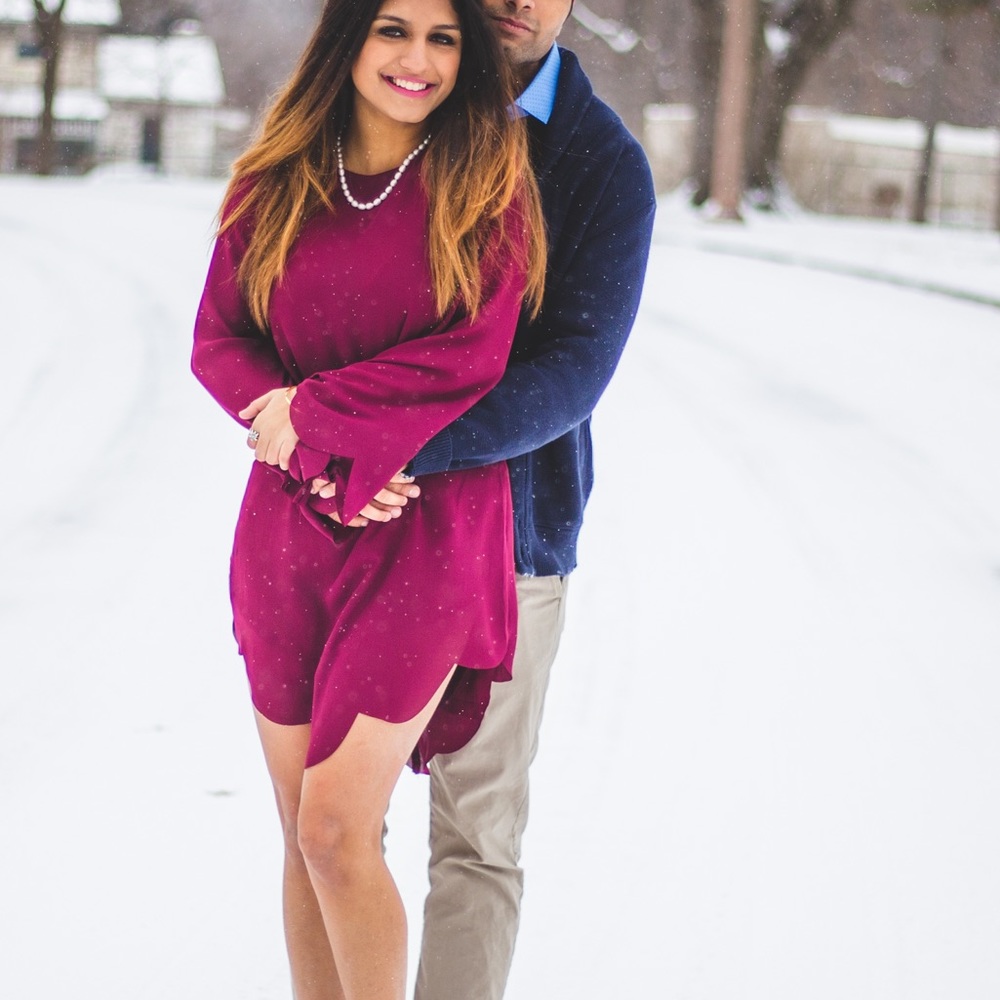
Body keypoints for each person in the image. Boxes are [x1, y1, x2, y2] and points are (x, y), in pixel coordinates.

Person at [190, 2, 546, 998]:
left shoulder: (487, 180)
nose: (416, 59)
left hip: (425, 530)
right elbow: (219, 341)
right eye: (393, 30)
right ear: (348, 37)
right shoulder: (274, 180)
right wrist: (312, 450)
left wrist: (316, 412)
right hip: (286, 529)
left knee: (337, 827)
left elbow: (471, 354)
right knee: (302, 833)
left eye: (443, 38)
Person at [405, 2, 657, 998]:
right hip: (351, 528)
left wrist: (396, 442)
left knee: (476, 836)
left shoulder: (602, 162)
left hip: (512, 546)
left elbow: (573, 374)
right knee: (329, 823)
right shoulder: (388, 100)